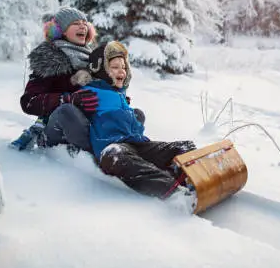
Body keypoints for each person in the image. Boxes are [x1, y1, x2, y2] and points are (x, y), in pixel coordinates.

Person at [74, 40, 198, 213]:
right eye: (115, 67)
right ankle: (175, 193)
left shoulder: (120, 96)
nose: (122, 71)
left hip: (138, 145)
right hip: (113, 147)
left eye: (124, 67)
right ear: (100, 69)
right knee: (116, 156)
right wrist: (73, 99)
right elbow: (67, 103)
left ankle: (194, 179)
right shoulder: (90, 91)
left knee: (185, 146)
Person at [14, 6, 101, 153]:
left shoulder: (95, 60)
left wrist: (116, 98)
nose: (82, 26)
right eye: (75, 23)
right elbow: (29, 102)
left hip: (90, 124)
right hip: (57, 128)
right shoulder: (49, 58)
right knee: (68, 111)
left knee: (135, 115)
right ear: (62, 31)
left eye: (84, 23)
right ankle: (99, 153)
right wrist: (66, 99)